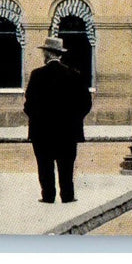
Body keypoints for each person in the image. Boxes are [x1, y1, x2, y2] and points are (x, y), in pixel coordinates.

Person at [23, 36, 92, 204]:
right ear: (60, 54)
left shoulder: (37, 75)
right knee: (66, 165)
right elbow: (86, 103)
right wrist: (74, 119)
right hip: (67, 131)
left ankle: (48, 196)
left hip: (42, 131)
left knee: (45, 166)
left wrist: (38, 118)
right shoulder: (74, 75)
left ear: (47, 53)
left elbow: (28, 104)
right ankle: (67, 196)